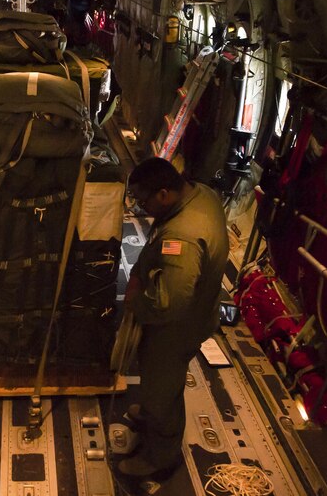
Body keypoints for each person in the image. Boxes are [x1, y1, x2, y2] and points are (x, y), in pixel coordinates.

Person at [119, 157, 229, 478]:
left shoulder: (181, 237)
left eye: (143, 201)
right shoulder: (201, 194)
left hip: (175, 328)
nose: (141, 208)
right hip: (200, 309)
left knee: (161, 388)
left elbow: (170, 303)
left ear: (164, 193)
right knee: (165, 382)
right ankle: (154, 412)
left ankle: (159, 457)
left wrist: (135, 305)